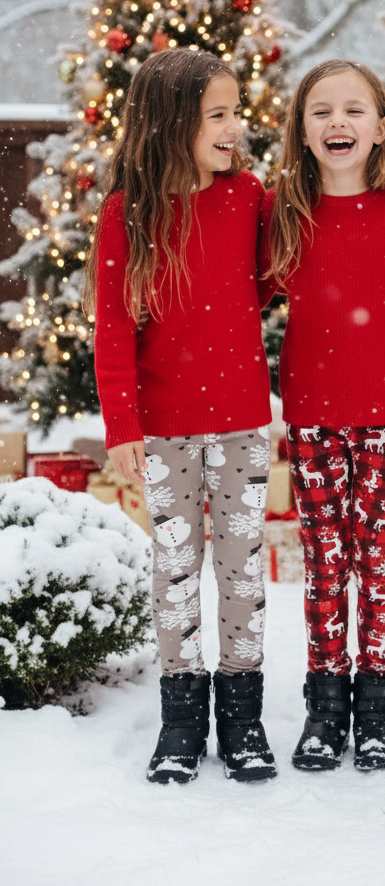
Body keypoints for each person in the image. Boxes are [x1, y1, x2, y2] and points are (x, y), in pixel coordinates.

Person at [87, 48, 276, 785]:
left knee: (241, 570)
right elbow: (113, 329)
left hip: (239, 424)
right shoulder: (126, 214)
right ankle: (181, 718)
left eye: (236, 112)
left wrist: (222, 334)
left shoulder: (250, 196)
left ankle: (242, 713)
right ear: (172, 125)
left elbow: (258, 288)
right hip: (160, 430)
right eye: (218, 116)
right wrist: (123, 426)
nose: (234, 128)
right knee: (174, 571)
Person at [259, 59, 385, 772]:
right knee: (326, 565)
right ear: (301, 130)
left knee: (379, 564)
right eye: (322, 111)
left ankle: (378, 706)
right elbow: (248, 299)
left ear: (382, 125)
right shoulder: (283, 212)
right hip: (312, 413)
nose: (339, 122)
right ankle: (326, 706)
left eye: (355, 110)